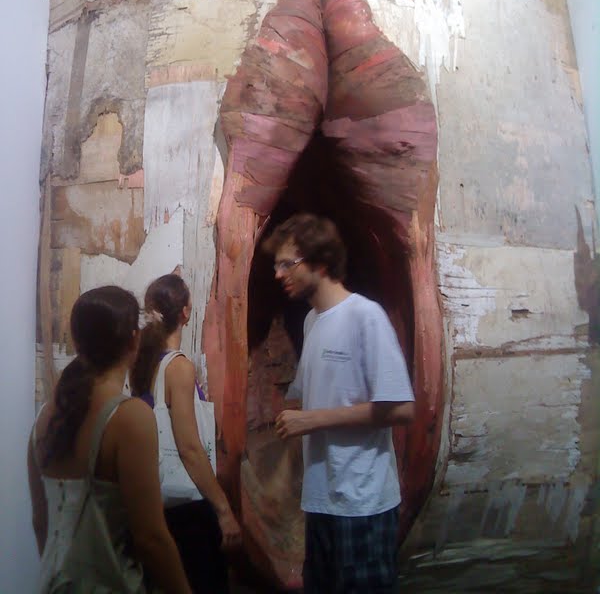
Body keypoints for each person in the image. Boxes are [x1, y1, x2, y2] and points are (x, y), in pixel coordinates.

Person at [263, 213, 416, 594]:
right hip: (321, 502)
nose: (278, 274)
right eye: (277, 265)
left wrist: (313, 421)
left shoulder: (365, 316)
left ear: (320, 262)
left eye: (287, 264)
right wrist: (282, 475)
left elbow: (401, 409)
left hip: (363, 504)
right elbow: (301, 404)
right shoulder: (312, 322)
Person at [28, 285, 192, 594]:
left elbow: (41, 521)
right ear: (134, 340)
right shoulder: (129, 418)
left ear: (77, 341)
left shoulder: (44, 419)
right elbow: (151, 538)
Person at [130, 274, 241, 594]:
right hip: (187, 508)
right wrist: (224, 509)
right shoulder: (178, 367)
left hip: (155, 501)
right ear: (186, 313)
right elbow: (189, 448)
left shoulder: (141, 364)